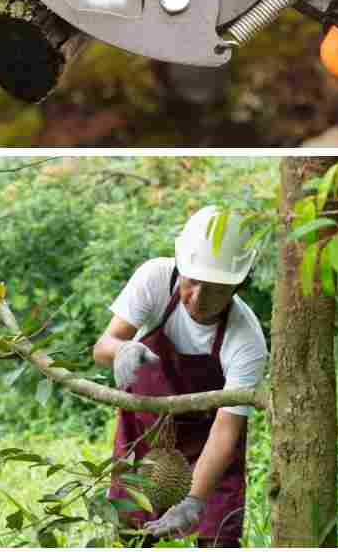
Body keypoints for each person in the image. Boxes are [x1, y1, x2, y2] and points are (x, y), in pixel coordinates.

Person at [92, 206, 268, 548]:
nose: (197, 299)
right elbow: (103, 345)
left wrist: (194, 500)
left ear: (238, 286)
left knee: (218, 537)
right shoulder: (155, 279)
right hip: (144, 438)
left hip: (209, 446)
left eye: (214, 289)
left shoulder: (247, 340)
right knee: (131, 536)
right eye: (192, 282)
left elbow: (226, 428)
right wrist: (122, 350)